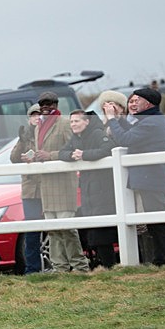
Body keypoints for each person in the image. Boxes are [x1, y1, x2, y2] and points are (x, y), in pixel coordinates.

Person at [105, 88, 165, 266]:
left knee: (159, 221)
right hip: (148, 177)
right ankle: (160, 259)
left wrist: (111, 120)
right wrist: (119, 119)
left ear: (148, 104)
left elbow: (126, 139)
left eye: (136, 100)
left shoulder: (152, 122)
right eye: (131, 100)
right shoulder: (149, 119)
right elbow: (130, 131)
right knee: (153, 222)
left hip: (151, 177)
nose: (132, 103)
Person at [32, 92, 88, 272]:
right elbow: (41, 151)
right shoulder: (37, 126)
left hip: (63, 183)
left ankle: (79, 265)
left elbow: (73, 150)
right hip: (47, 185)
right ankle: (60, 267)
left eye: (49, 104)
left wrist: (51, 156)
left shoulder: (64, 123)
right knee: (53, 230)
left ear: (56, 105)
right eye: (42, 105)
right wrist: (33, 157)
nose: (45, 108)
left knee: (67, 228)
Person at [59, 111, 117, 268]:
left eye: (77, 121)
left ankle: (109, 267)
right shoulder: (76, 138)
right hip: (88, 190)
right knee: (93, 231)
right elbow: (62, 153)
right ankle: (103, 266)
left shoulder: (97, 134)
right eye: (71, 122)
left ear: (87, 122)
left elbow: (108, 149)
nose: (73, 124)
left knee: (103, 232)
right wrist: (72, 155)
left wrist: (85, 155)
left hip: (103, 190)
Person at [10, 104, 44, 274]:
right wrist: (22, 140)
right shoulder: (25, 135)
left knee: (57, 228)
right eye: (33, 115)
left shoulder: (50, 133)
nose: (37, 118)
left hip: (49, 187)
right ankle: (33, 269)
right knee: (31, 232)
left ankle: (61, 265)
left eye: (40, 115)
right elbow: (13, 158)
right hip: (30, 189)